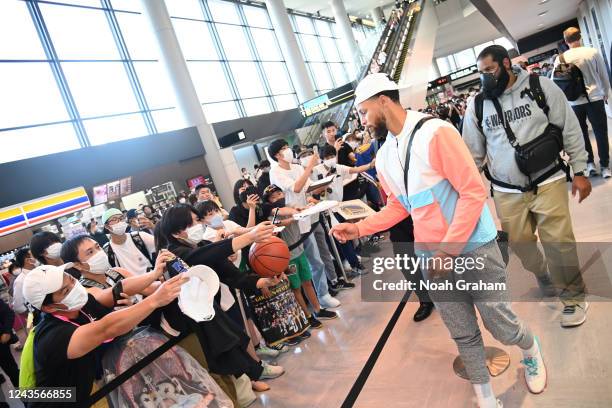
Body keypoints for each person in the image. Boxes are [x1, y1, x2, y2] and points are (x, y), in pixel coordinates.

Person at [331, 73, 546, 407]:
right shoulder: (386, 154)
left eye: (363, 111)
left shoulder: (436, 133)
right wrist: (359, 229)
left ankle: (531, 349)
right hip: (431, 259)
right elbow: (399, 205)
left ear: (383, 101)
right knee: (462, 332)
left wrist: (448, 249)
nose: (362, 120)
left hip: (474, 246)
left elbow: (473, 193)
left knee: (499, 322)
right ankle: (485, 396)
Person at [463, 45, 591, 327]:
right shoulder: (478, 105)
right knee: (522, 246)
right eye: (480, 73)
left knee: (559, 242)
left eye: (490, 70)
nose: (485, 77)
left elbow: (569, 127)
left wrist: (580, 170)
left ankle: (572, 298)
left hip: (548, 180)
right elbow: (472, 154)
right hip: (507, 190)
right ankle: (542, 273)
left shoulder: (540, 87)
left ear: (506, 64)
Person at [21, 262, 187, 406]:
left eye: (71, 279)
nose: (74, 288)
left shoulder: (80, 304)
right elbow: (106, 328)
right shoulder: (54, 336)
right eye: (65, 291)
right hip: (61, 401)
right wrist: (154, 300)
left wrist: (154, 274)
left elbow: (116, 291)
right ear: (49, 307)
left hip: (90, 388)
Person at [268, 139, 341, 308]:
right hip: (296, 223)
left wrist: (314, 195)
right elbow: (295, 188)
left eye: (287, 147)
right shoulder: (276, 172)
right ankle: (321, 296)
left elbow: (308, 189)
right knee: (313, 261)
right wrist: (310, 167)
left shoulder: (297, 167)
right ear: (277, 155)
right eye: (284, 149)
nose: (287, 151)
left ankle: (327, 289)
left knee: (321, 257)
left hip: (311, 216)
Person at [263, 185, 337, 325]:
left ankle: (318, 309)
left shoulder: (290, 206)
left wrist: (306, 207)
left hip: (300, 251)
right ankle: (307, 316)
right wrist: (295, 217)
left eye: (279, 194)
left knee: (308, 281)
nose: (278, 198)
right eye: (273, 197)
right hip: (287, 258)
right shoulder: (271, 214)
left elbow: (298, 208)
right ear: (269, 202)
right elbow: (279, 223)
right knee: (296, 287)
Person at [552, 27, 611, 178]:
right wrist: (605, 92)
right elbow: (603, 74)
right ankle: (605, 166)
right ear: (580, 37)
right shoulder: (592, 52)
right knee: (600, 132)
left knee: (581, 134)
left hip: (574, 103)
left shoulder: (561, 58)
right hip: (595, 98)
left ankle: (590, 164)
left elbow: (556, 82)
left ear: (566, 41)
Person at [101, 208, 157, 276]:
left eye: (121, 218)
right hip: (131, 285)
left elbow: (162, 244)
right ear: (107, 226)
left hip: (153, 281)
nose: (120, 221)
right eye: (115, 219)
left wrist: (153, 228)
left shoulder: (139, 236)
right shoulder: (107, 251)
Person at [10, 247, 37, 315]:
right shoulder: (20, 281)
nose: (38, 257)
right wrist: (34, 315)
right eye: (35, 256)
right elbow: (18, 307)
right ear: (28, 260)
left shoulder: (41, 270)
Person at [0, 299, 19, 388]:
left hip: (1, 345)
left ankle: (27, 399)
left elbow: (8, 313)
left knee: (13, 372)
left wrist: (7, 331)